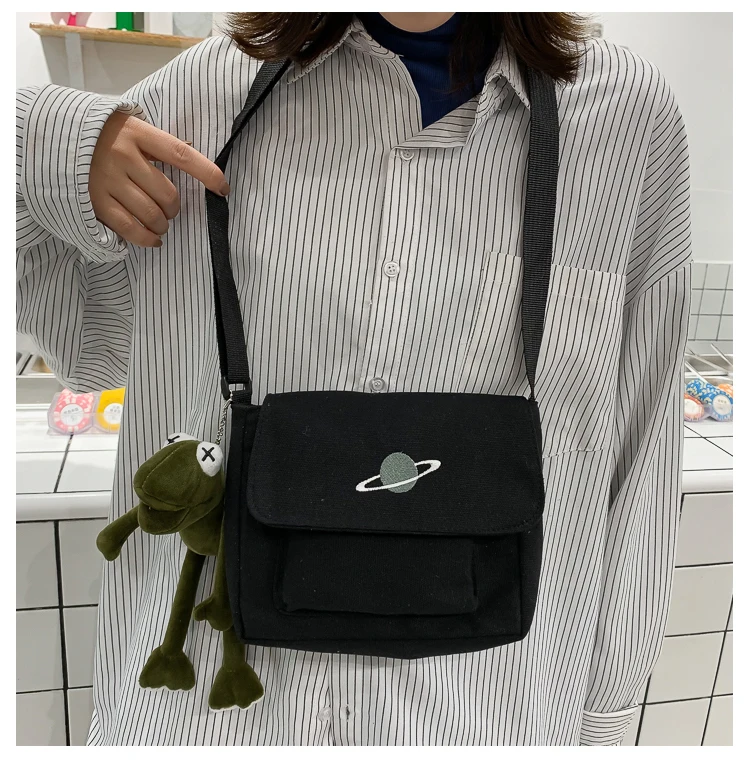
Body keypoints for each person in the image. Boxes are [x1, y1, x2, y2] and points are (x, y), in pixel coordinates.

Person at [16, 12, 691, 746]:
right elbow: (91, 348)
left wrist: (607, 714)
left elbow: (642, 437)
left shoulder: (626, 120)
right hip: (214, 713)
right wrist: (39, 141)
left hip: (493, 710)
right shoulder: (206, 94)